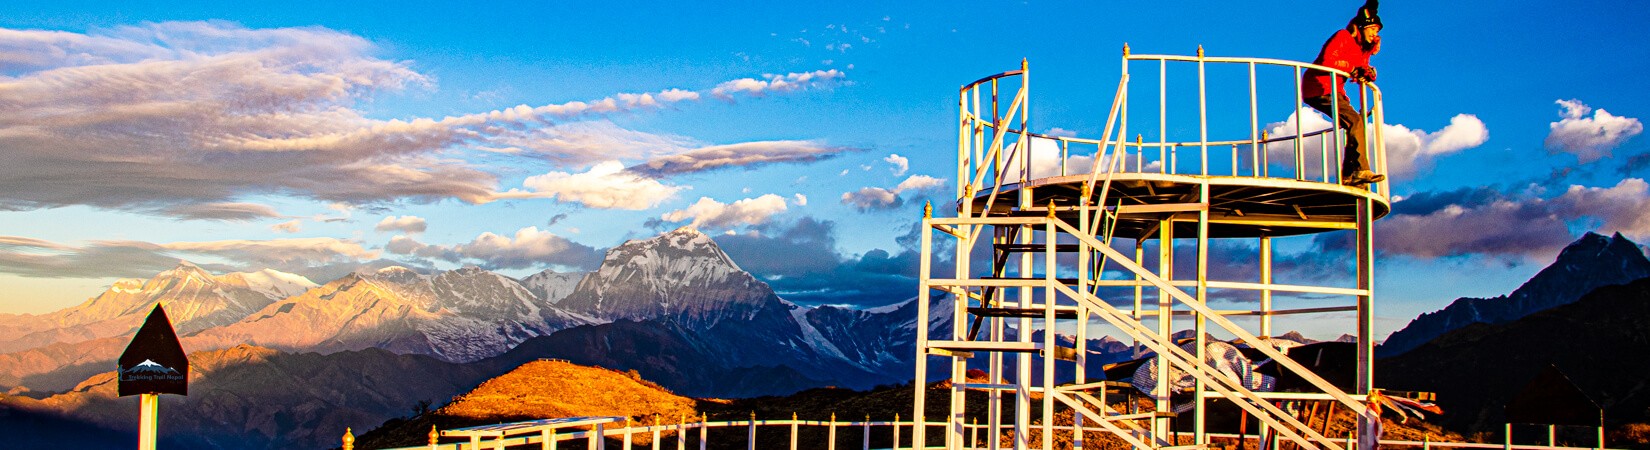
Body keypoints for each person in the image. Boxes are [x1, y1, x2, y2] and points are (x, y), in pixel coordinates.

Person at [1303, 0, 1386, 187]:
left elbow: (1360, 68)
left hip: (1334, 90)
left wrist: (1368, 72)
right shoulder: (1343, 36)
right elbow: (1327, 61)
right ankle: (1359, 170)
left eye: (1377, 31)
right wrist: (1353, 68)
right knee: (1355, 121)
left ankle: (1350, 174)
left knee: (1356, 123)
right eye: (1372, 29)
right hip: (1318, 87)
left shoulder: (1361, 49)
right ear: (1362, 28)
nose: (1375, 34)